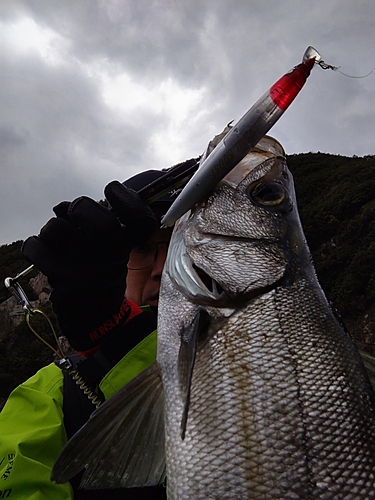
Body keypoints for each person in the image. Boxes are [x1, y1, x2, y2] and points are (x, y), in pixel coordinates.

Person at [0, 164, 193, 499]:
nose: (163, 268)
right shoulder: (47, 397)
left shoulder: (274, 355)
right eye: (143, 248)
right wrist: (115, 344)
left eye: (184, 243)